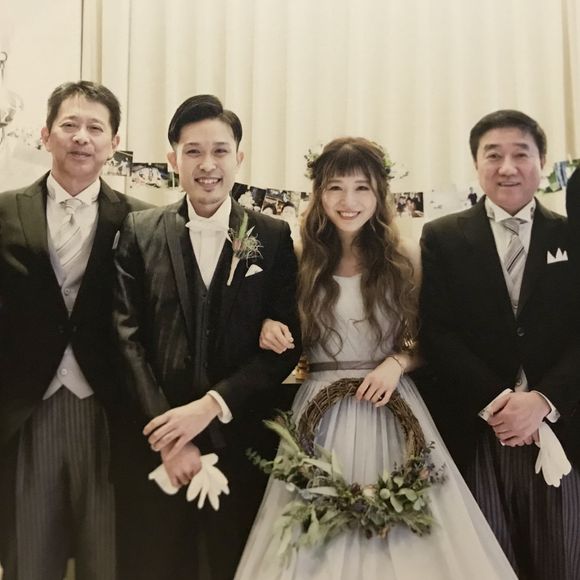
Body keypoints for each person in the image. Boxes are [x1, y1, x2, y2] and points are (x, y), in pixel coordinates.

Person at [235, 137, 517, 580]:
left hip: (393, 407)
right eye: (335, 188)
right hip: (318, 413)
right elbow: (272, 315)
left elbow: (433, 337)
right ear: (319, 193)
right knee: (314, 537)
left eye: (361, 188)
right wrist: (270, 325)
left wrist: (397, 363)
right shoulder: (299, 257)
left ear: (379, 192)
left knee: (410, 538)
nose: (348, 201)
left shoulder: (406, 256)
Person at [113, 94, 301, 580]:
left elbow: (287, 346)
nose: (207, 164)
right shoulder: (140, 230)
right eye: (193, 151)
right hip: (157, 446)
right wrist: (169, 436)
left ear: (239, 157)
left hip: (242, 443)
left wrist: (213, 405)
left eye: (220, 151)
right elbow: (126, 337)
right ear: (173, 158)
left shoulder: (273, 236)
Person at [419, 110, 580, 580]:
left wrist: (543, 401)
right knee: (488, 566)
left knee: (562, 561)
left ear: (542, 161)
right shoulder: (443, 236)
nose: (507, 167)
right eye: (493, 155)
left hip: (560, 429)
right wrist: (500, 402)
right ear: (476, 163)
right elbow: (437, 330)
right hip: (480, 430)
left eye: (520, 154)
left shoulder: (571, 234)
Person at [0, 81, 150, 580]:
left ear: (113, 142)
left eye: (95, 128)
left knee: (106, 559)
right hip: (27, 407)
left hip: (109, 410)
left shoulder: (142, 221)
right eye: (69, 125)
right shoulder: (4, 211)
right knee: (29, 558)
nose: (81, 137)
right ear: (46, 134)